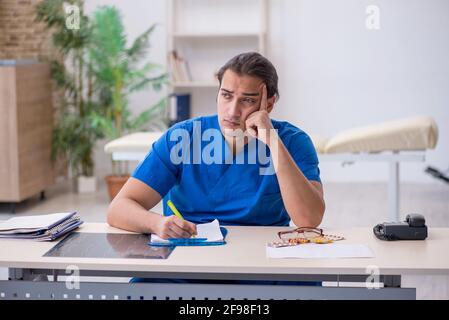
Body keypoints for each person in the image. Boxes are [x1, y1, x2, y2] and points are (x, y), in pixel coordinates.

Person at [107, 51, 325, 241]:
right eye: (226, 96)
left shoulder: (293, 141)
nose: (232, 111)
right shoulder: (182, 137)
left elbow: (309, 220)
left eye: (247, 100)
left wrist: (273, 142)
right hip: (190, 257)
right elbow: (118, 209)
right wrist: (156, 223)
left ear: (268, 104)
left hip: (262, 264)